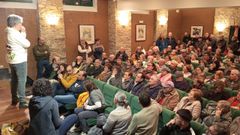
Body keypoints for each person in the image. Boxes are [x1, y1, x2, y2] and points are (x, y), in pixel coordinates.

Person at [6, 14, 30, 108]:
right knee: (21, 80)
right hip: (19, 60)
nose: (21, 25)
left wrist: (21, 33)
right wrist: (23, 32)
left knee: (14, 80)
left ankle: (14, 99)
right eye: (20, 23)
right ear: (16, 24)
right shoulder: (15, 33)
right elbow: (27, 44)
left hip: (12, 59)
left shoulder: (9, 32)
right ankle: (22, 102)